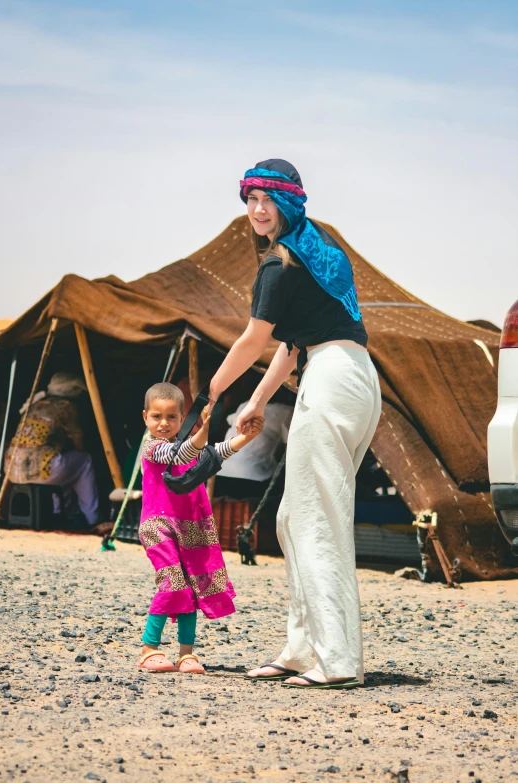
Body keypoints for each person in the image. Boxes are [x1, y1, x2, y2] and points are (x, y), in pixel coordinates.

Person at [207, 159, 381, 689]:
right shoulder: (315, 245)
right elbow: (293, 342)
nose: (259, 210)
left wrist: (211, 395)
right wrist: (257, 399)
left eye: (269, 200)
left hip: (332, 379)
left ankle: (338, 661)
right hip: (350, 377)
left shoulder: (280, 263)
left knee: (314, 519)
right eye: (251, 200)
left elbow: (254, 340)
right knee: (293, 517)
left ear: (291, 201)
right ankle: (304, 650)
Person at [138, 382, 264, 673]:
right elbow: (178, 456)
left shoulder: (188, 446)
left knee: (193, 588)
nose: (163, 423)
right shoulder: (152, 447)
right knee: (173, 583)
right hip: (157, 525)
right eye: (156, 416)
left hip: (188, 527)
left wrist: (245, 437)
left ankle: (186, 654)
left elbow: (215, 453)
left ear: (182, 419)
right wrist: (203, 430)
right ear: (145, 417)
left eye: (171, 417)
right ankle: (148, 649)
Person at [6, 371, 109, 533]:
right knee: (84, 461)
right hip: (40, 470)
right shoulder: (66, 407)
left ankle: (58, 513)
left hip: (13, 469)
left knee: (65, 466)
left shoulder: (36, 404)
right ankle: (93, 517)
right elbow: (79, 445)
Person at [215, 399, 293, 500]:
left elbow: (230, 420)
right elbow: (290, 446)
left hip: (221, 473)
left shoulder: (246, 404)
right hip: (256, 479)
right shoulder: (288, 412)